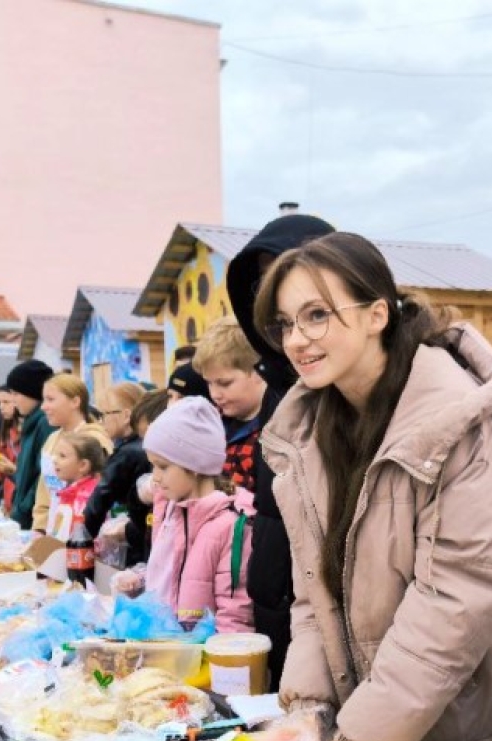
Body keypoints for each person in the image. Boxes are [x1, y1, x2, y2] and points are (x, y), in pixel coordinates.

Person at [254, 232, 492, 741]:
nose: (297, 339)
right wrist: (309, 708)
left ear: (377, 313)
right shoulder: (311, 431)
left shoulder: (459, 419)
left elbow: (457, 597)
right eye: (286, 323)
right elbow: (314, 591)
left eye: (317, 315)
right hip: (395, 703)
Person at [226, 213, 336, 685]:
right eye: (263, 283)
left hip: (333, 621)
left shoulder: (346, 389)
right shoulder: (280, 387)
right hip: (281, 603)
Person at [116, 397, 254, 634]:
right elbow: (170, 575)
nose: (155, 477)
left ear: (195, 464)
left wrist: (223, 668)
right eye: (153, 466)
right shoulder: (169, 508)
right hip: (165, 649)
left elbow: (235, 613)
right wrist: (140, 580)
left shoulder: (231, 525)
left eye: (163, 466)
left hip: (201, 659)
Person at [192, 317, 268, 493]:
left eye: (224, 383)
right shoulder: (210, 422)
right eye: (209, 383)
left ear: (258, 372)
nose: (215, 394)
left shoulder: (274, 431)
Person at [31, 374, 112, 534]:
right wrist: (40, 528)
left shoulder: (95, 440)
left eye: (50, 399)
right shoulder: (52, 439)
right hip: (54, 532)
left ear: (75, 402)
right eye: (44, 400)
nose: (43, 406)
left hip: (84, 534)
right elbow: (44, 490)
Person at [84, 382, 153, 568]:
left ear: (125, 415)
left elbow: (98, 503)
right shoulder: (142, 446)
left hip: (135, 545)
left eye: (104, 414)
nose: (101, 421)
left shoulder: (129, 453)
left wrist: (80, 541)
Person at [3, 359, 56, 532]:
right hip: (25, 515)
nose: (13, 400)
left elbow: (45, 475)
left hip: (33, 519)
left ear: (32, 392)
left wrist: (23, 509)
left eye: (16, 393)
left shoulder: (45, 423)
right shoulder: (32, 422)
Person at [47, 431, 108, 542]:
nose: (54, 460)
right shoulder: (69, 491)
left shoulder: (87, 497)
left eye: (62, 456)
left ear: (83, 465)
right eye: (55, 455)